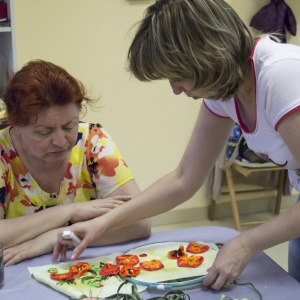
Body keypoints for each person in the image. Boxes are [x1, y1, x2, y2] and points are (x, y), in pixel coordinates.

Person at [54, 0, 300, 290]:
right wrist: (105, 223)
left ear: (209, 55)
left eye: (179, 76)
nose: (175, 89)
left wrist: (248, 242)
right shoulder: (224, 91)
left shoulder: (282, 77)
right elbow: (183, 178)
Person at [1, 59, 151, 266]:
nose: (61, 141)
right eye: (44, 132)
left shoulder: (93, 139)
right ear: (15, 123)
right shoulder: (2, 153)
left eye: (69, 126)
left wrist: (59, 236)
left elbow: (140, 221)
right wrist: (68, 211)